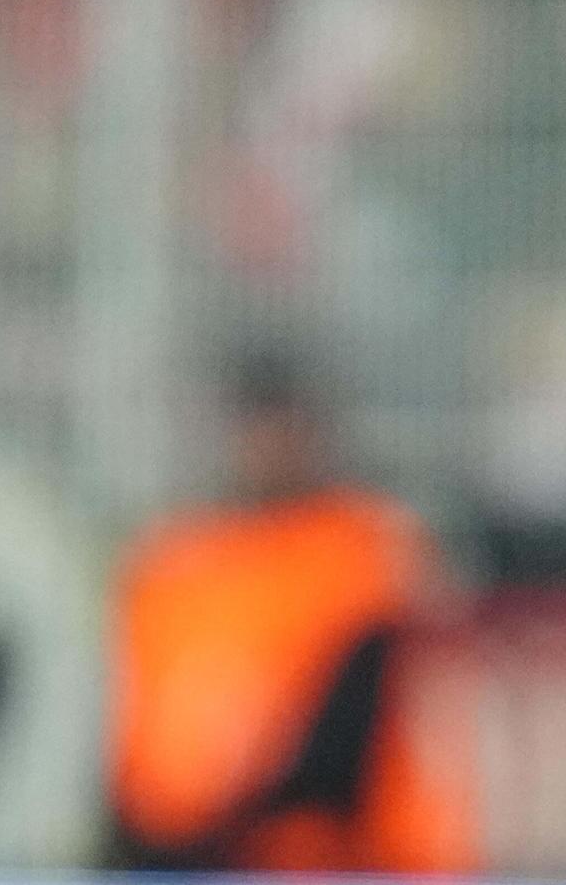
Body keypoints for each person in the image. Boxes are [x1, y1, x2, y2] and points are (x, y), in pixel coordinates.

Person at [104, 353, 473, 874]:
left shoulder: (363, 550)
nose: (266, 449)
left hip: (341, 861)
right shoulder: (172, 561)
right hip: (187, 859)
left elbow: (343, 741)